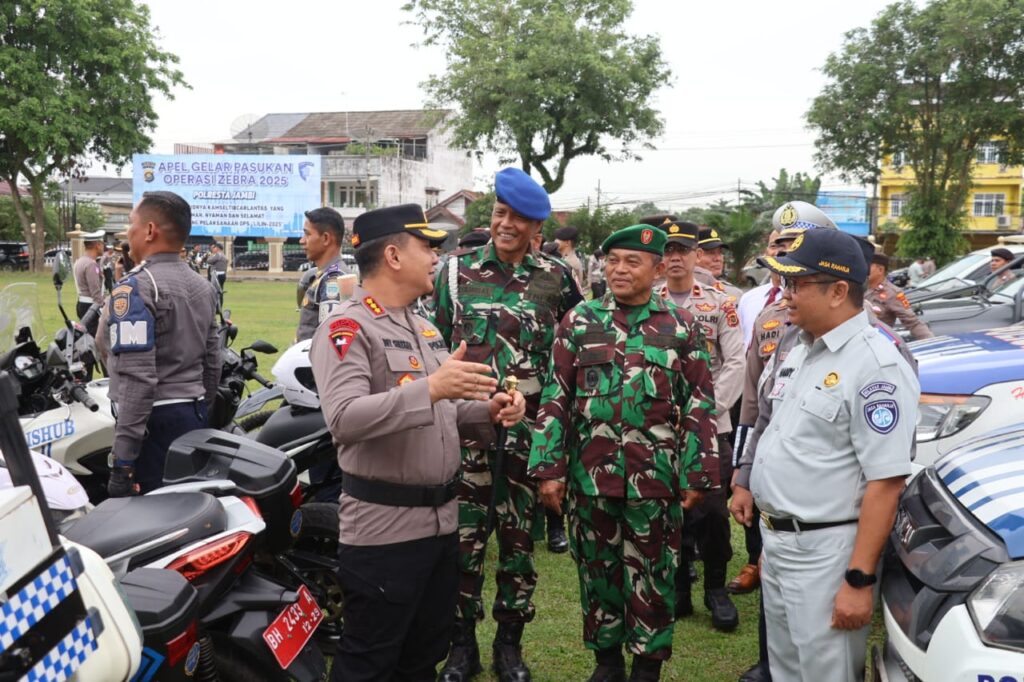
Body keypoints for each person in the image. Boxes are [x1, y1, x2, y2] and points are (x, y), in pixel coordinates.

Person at [309, 204, 524, 682]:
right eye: (427, 246)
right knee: (369, 662)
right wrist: (430, 387)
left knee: (422, 658)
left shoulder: (423, 327)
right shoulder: (348, 327)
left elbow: (441, 409)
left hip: (440, 527)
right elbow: (344, 419)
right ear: (392, 255)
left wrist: (487, 411)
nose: (435, 257)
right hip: (385, 534)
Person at [529, 224, 719, 682]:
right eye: (612, 260)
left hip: (655, 478)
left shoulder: (681, 325)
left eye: (631, 262)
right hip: (591, 478)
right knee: (598, 574)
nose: (618, 269)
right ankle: (607, 663)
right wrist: (549, 469)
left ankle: (647, 666)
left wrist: (697, 473)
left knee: (654, 573)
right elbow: (556, 396)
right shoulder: (580, 321)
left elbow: (699, 401)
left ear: (655, 270)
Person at [738, 228, 919, 682]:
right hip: (781, 542)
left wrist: (858, 580)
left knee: (824, 674)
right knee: (786, 670)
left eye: (797, 284)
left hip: (827, 553)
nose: (785, 294)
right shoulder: (803, 348)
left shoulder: (876, 364)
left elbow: (886, 481)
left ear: (839, 291)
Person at [432, 167, 583, 682]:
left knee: (519, 545)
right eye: (500, 213)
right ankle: (461, 647)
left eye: (518, 219)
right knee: (462, 543)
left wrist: (555, 435)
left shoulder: (556, 278)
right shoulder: (454, 272)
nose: (506, 224)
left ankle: (509, 647)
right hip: (464, 431)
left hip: (527, 433)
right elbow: (436, 348)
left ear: (537, 228)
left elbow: (568, 354)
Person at [101, 191, 221, 496]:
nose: (128, 233)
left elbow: (138, 381)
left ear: (151, 231)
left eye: (131, 224)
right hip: (192, 416)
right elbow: (212, 363)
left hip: (154, 425)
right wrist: (199, 411)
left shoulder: (136, 287)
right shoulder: (203, 286)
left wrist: (124, 459)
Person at [656, 220, 745, 631]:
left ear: (695, 255)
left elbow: (735, 362)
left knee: (711, 510)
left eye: (683, 249)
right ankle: (677, 587)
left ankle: (715, 589)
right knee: (666, 508)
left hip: (711, 424)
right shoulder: (644, 299)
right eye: (669, 249)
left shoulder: (720, 303)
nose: (675, 256)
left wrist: (704, 412)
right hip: (657, 425)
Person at [296, 207, 352, 342]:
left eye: (307, 234)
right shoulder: (322, 275)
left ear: (326, 238)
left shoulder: (333, 279)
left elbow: (332, 340)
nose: (302, 241)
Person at [865, 252, 933, 339]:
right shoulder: (859, 287)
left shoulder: (893, 293)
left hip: (874, 341)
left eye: (868, 266)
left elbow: (913, 323)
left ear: (880, 270)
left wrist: (932, 342)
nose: (863, 269)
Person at [736, 230, 783, 348]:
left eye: (784, 247)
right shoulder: (748, 298)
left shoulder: (800, 299)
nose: (778, 252)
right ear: (766, 252)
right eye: (773, 246)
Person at [695, 228, 743, 303]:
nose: (718, 259)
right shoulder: (679, 292)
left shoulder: (735, 293)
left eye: (720, 253)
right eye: (711, 253)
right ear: (695, 256)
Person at [73, 230, 106, 336]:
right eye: (102, 244)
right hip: (91, 306)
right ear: (97, 245)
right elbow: (95, 292)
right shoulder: (91, 264)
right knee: (94, 338)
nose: (103, 247)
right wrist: (103, 308)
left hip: (82, 303)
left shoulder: (79, 261)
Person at [554, 225, 586, 293]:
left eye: (558, 239)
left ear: (567, 243)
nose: (555, 241)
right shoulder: (567, 259)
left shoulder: (570, 262)